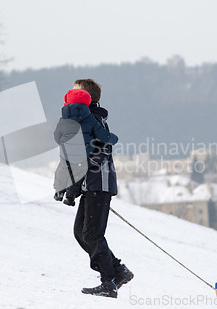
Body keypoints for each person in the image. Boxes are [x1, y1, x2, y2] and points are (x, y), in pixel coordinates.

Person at [71, 79, 134, 298]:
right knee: (81, 232)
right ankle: (117, 270)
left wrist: (75, 183)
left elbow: (95, 155)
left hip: (100, 183)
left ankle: (109, 282)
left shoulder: (93, 120)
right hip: (91, 185)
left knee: (92, 233)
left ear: (85, 98)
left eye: (75, 92)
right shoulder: (83, 120)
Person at [53, 88, 119, 206]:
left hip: (66, 153)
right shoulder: (90, 119)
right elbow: (104, 136)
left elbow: (56, 136)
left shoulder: (63, 120)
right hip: (83, 155)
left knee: (63, 170)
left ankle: (59, 191)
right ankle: (70, 196)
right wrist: (114, 138)